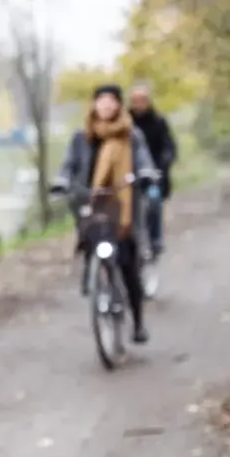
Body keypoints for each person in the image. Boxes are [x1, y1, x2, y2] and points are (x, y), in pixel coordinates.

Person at [55, 83, 162, 342]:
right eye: (100, 100)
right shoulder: (81, 137)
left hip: (122, 203)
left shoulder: (131, 135)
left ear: (118, 105)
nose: (105, 105)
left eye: (111, 100)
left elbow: (144, 159)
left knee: (127, 263)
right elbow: (69, 165)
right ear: (93, 105)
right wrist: (61, 181)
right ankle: (93, 277)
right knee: (93, 242)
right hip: (92, 202)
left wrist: (146, 175)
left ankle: (137, 323)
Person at [127, 83, 177, 258]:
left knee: (153, 200)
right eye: (135, 100)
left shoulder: (159, 121)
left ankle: (155, 240)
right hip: (127, 174)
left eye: (142, 100)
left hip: (153, 174)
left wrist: (163, 163)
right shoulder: (125, 123)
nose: (139, 104)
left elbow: (169, 147)